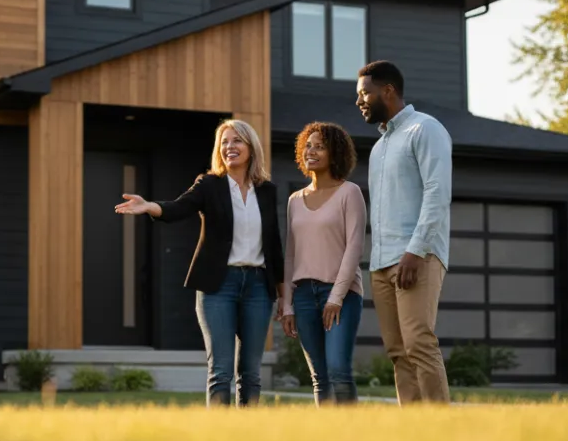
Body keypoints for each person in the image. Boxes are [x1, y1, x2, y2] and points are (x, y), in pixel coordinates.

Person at [115, 119, 284, 407]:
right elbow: (178, 208)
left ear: (251, 147)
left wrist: (284, 297)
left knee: (251, 372)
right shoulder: (209, 185)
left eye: (237, 140)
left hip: (258, 287)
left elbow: (274, 245)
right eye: (224, 142)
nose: (229, 146)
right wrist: (149, 206)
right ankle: (218, 430)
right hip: (218, 285)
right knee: (221, 370)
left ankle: (250, 429)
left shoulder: (266, 191)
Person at [355, 60, 453, 404]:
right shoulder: (379, 148)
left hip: (416, 256)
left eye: (364, 93)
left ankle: (440, 424)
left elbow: (437, 193)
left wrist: (415, 250)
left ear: (388, 91)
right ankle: (413, 425)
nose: (359, 101)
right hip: (382, 262)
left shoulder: (425, 129)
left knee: (418, 343)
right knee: (398, 351)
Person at [280, 122, 366, 406]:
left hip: (341, 294)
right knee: (320, 376)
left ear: (335, 153)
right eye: (308, 146)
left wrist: (336, 298)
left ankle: (351, 430)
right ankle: (328, 431)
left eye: (320, 147)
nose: (311, 152)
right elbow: (290, 254)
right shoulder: (295, 200)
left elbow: (354, 247)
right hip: (303, 295)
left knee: (338, 370)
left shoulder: (350, 193)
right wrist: (287, 304)